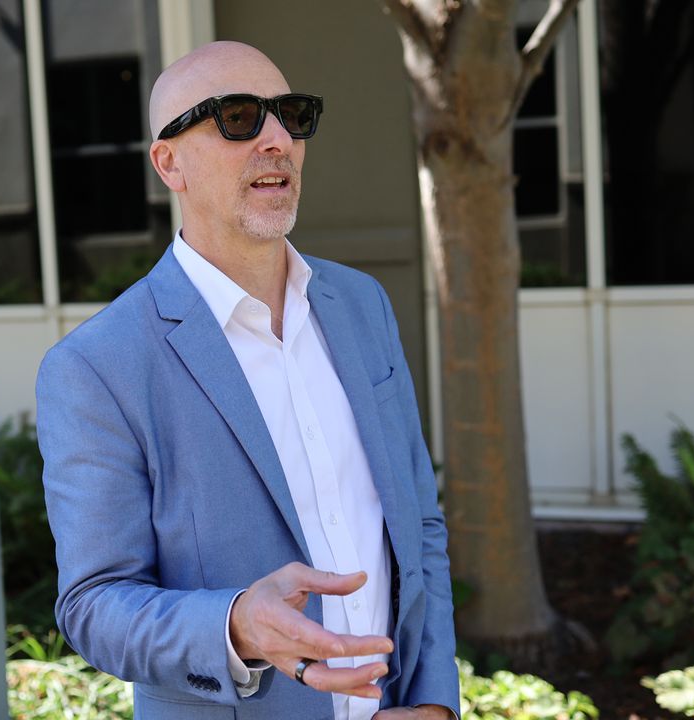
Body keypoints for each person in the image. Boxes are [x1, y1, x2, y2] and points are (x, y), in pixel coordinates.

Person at [35, 41, 458, 720]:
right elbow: (93, 606)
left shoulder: (362, 305)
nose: (277, 140)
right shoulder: (97, 366)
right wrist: (235, 625)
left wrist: (435, 701)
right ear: (168, 163)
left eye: (292, 116)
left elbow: (420, 525)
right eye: (237, 118)